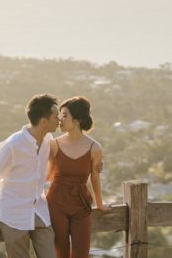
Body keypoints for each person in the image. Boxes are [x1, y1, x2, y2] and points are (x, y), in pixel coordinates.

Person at [0, 94, 60, 258]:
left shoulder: (48, 138)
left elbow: (60, 155)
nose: (59, 120)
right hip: (13, 212)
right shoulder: (12, 145)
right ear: (44, 122)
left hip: (38, 209)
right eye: (56, 116)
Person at [47, 96, 109, 258]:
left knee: (81, 253)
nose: (60, 120)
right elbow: (46, 176)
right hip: (56, 203)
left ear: (78, 120)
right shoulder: (54, 144)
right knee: (61, 252)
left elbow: (95, 179)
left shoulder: (95, 148)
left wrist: (100, 205)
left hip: (81, 205)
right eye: (60, 115)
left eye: (65, 115)